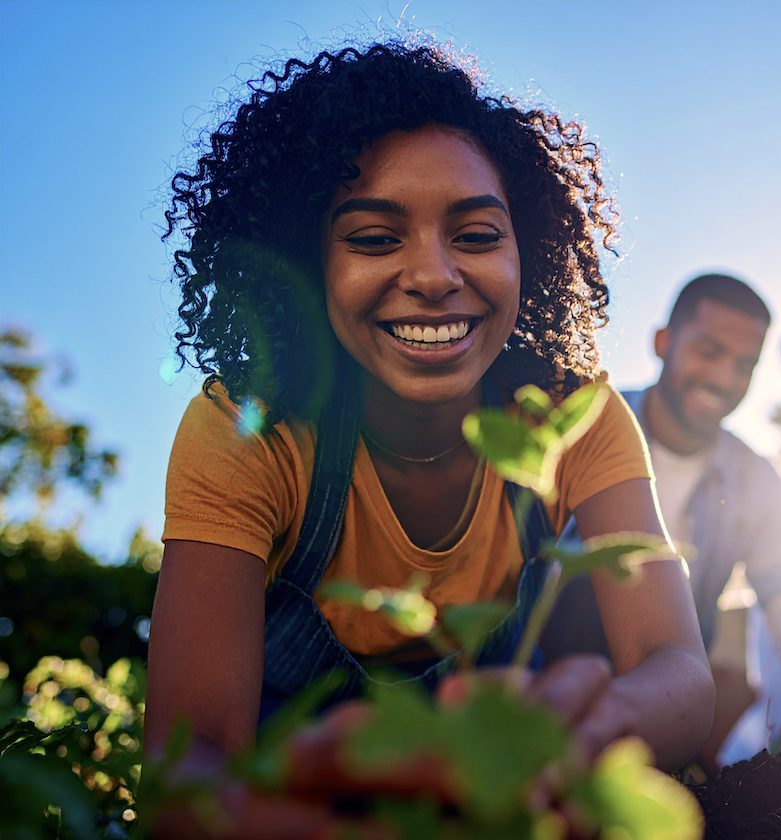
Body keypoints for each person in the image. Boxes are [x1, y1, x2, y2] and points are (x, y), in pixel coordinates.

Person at [144, 41, 713, 835]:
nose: (434, 274)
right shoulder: (249, 434)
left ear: (528, 252)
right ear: (307, 262)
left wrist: (589, 727)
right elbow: (188, 764)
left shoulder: (570, 416)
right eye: (375, 239)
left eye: (477, 234)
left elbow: (681, 672)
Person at [543, 272, 781, 773]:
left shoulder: (756, 481)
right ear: (662, 342)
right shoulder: (579, 426)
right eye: (709, 351)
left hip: (660, 725)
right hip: (542, 696)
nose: (723, 379)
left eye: (744, 365)